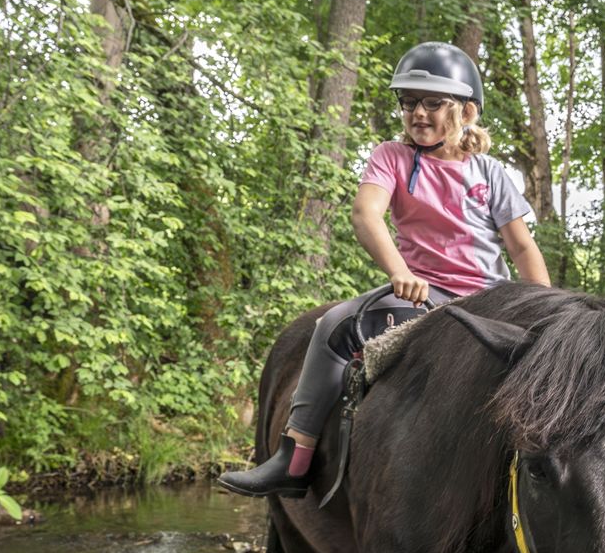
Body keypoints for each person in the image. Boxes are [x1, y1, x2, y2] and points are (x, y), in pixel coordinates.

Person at [219, 42, 550, 498]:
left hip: (489, 302)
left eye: (433, 102)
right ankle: (294, 456)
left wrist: (546, 308)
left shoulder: (491, 173)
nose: (418, 112)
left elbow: (521, 246)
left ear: (467, 112)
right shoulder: (392, 157)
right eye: (409, 102)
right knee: (333, 325)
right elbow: (366, 214)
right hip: (421, 296)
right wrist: (401, 271)